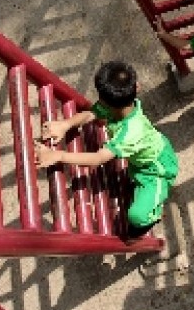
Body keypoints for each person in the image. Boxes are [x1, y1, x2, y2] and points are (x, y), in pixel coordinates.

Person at [35, 61, 178, 241]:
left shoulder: (131, 132)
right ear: (137, 87)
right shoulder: (120, 107)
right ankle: (140, 190)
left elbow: (98, 158)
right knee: (132, 182)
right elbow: (90, 114)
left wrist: (59, 155)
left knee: (136, 216)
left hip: (158, 171)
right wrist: (66, 124)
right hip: (143, 160)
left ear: (104, 99)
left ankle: (153, 215)